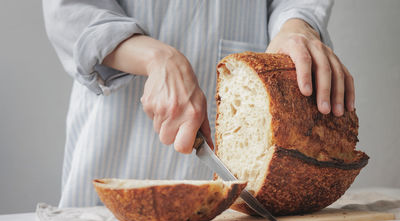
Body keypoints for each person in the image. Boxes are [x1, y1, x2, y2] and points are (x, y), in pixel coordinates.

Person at [43, 0, 354, 207]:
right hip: (113, 152)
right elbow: (70, 8)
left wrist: (296, 25)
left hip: (238, 213)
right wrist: (155, 58)